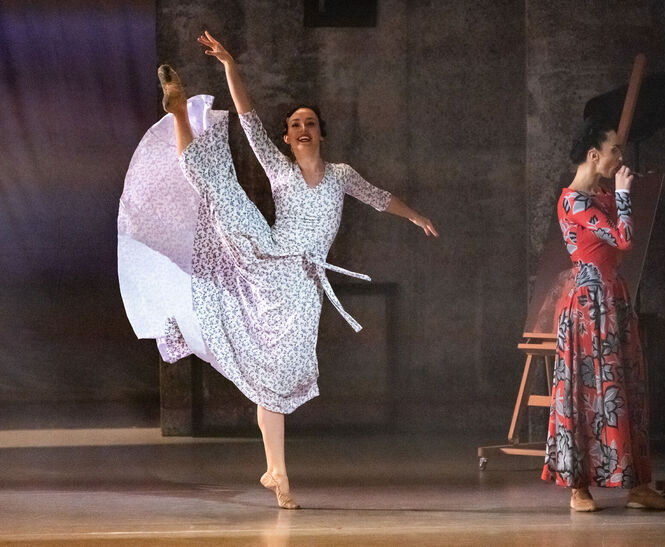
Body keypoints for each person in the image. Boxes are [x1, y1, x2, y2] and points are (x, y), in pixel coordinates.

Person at [118, 31, 437, 510]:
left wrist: (414, 215)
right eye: (295, 124)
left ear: (320, 133)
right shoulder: (279, 167)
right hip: (266, 258)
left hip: (304, 287)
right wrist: (229, 65)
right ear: (287, 137)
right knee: (218, 185)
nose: (303, 128)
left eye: (310, 122)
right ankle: (180, 112)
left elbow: (378, 197)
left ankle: (276, 471)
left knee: (280, 374)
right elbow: (246, 118)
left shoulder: (341, 175)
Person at [541, 119, 665, 511]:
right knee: (584, 392)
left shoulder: (597, 194)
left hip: (613, 298)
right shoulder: (574, 201)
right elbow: (623, 238)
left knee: (624, 388)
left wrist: (614, 194)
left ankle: (635, 485)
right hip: (587, 305)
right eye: (615, 149)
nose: (622, 156)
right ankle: (578, 488)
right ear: (594, 155)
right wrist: (623, 194)